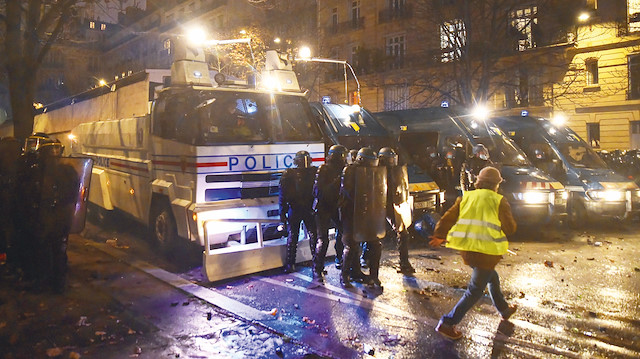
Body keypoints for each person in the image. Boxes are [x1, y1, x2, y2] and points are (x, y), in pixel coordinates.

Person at [429, 166, 518, 340]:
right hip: (486, 252)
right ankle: (448, 323)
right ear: (496, 185)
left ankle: (504, 309)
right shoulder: (499, 201)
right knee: (474, 291)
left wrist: (439, 235)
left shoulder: (466, 198)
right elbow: (510, 228)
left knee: (492, 278)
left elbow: (448, 217)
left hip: (469, 251)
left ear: (478, 182)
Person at [339, 147, 386, 288]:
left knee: (375, 244)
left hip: (369, 212)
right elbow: (348, 193)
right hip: (351, 214)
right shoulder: (350, 170)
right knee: (352, 245)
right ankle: (345, 276)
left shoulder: (373, 171)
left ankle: (373, 276)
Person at [312, 145, 347, 282]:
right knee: (323, 239)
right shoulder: (323, 170)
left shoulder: (344, 169)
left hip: (336, 205)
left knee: (342, 233)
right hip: (323, 207)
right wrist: (336, 181)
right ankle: (317, 268)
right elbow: (320, 192)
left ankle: (339, 259)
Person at [279, 151, 318, 273]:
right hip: (306, 208)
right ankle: (316, 265)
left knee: (294, 236)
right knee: (312, 236)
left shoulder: (290, 174)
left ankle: (291, 264)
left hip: (296, 208)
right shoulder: (313, 172)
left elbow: (283, 195)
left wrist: (282, 212)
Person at [378, 147, 415, 274]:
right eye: (390, 158)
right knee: (372, 235)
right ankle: (365, 258)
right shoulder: (375, 172)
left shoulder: (396, 171)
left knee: (403, 233)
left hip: (392, 206)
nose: (392, 161)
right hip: (378, 206)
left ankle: (404, 262)